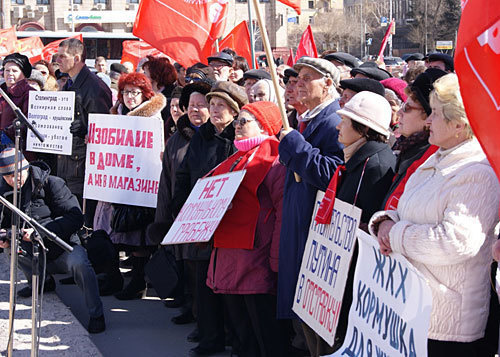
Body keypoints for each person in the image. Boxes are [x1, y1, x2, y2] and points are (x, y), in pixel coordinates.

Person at [370, 73, 500, 357]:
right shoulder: (438, 157)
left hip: (447, 324)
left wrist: (396, 234)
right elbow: (411, 210)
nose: (428, 120)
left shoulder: (476, 172)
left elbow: (456, 242)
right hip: (415, 309)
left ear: (458, 124)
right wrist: (386, 221)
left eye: (437, 114)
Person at [170, 81, 248, 356]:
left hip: (227, 221)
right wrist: (180, 207)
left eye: (220, 106)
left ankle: (233, 339)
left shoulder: (238, 138)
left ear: (234, 110)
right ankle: (210, 338)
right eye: (211, 104)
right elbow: (184, 173)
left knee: (227, 286)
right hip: (199, 219)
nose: (213, 110)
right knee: (202, 281)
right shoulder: (201, 136)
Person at [318, 91, 396, 353]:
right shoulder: (358, 159)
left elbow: (363, 217)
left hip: (356, 273)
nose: (338, 126)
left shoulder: (374, 165)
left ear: (362, 129)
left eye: (345, 121)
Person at [206, 101, 286, 356]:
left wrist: (276, 258)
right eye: (237, 121)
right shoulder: (236, 158)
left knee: (264, 333)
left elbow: (283, 212)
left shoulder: (276, 161)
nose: (237, 126)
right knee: (241, 332)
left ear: (264, 126)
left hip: (256, 258)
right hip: (230, 255)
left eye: (244, 121)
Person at [277, 57, 344, 354]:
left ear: (327, 83)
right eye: (296, 78)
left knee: (315, 324)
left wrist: (295, 145)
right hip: (301, 224)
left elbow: (333, 174)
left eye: (306, 77)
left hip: (316, 229)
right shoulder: (311, 119)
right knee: (302, 318)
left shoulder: (335, 121)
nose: (298, 83)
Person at [0, 148, 105, 333]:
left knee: (81, 264)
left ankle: (96, 313)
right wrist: (6, 237)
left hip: (63, 245)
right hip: (31, 248)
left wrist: (41, 232)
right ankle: (42, 281)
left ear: (26, 167)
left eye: (17, 173)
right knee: (12, 248)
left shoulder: (52, 183)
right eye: (7, 176)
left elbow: (75, 217)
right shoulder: (5, 192)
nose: (13, 180)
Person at [94, 72, 165, 300]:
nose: (130, 97)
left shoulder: (153, 120)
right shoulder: (114, 115)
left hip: (137, 187)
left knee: (136, 237)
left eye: (135, 92)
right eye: (126, 92)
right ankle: (112, 277)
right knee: (109, 233)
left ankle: (137, 282)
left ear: (144, 95)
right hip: (113, 185)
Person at [56, 38, 112, 227]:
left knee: (83, 221)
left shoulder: (94, 87)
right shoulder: (69, 84)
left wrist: (85, 130)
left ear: (77, 57)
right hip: (69, 162)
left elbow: (105, 131)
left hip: (84, 167)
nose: (58, 60)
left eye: (62, 56)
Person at [382, 68, 447, 210]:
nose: (399, 112)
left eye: (407, 107)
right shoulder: (407, 146)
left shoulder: (430, 156)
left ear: (428, 115)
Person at [0, 53, 36, 160]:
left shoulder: (30, 94)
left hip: (18, 152)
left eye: (14, 71)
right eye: (7, 70)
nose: (10, 74)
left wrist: (4, 134)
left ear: (23, 74)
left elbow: (28, 124)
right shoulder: (2, 92)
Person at [142, 55, 178, 141]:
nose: (142, 76)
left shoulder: (171, 97)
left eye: (145, 73)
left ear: (155, 75)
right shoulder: (144, 95)